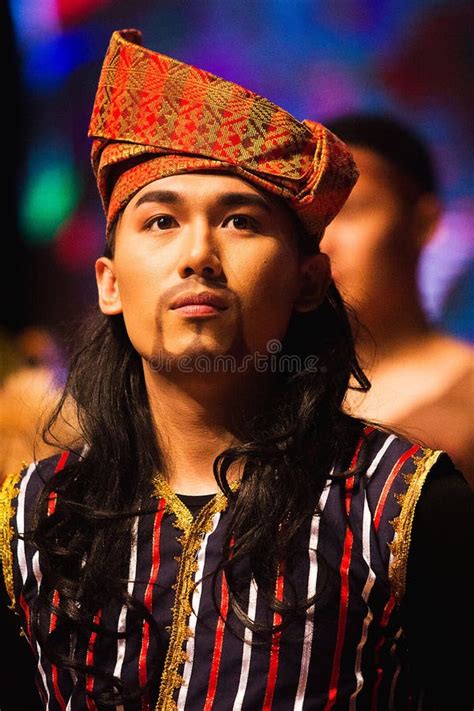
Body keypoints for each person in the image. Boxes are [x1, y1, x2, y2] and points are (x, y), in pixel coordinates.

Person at [0, 29, 472, 710]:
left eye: (241, 222)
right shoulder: (35, 515)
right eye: (160, 222)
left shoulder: (401, 505)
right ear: (108, 283)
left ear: (309, 282)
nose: (198, 254)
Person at [320, 114, 474, 485]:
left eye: (352, 212)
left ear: (423, 222)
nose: (324, 242)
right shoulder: (268, 388)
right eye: (313, 219)